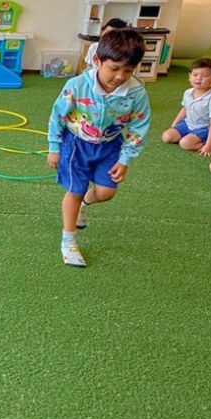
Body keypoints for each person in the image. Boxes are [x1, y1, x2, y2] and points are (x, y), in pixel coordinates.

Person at [47, 26, 151, 267]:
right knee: (75, 190)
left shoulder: (136, 92)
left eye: (128, 70)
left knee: (106, 193)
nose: (120, 76)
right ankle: (68, 240)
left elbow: (139, 126)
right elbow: (57, 115)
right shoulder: (77, 85)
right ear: (97, 60)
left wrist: (125, 159)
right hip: (76, 145)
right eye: (114, 68)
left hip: (109, 146)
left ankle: (84, 205)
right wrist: (54, 147)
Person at [162, 57, 211, 156]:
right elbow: (185, 108)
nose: (198, 78)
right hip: (187, 124)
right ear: (189, 76)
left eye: (205, 76)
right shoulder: (188, 92)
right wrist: (174, 124)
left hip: (204, 128)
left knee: (184, 143)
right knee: (167, 136)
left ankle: (210, 142)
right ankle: (191, 137)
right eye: (195, 75)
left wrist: (209, 145)